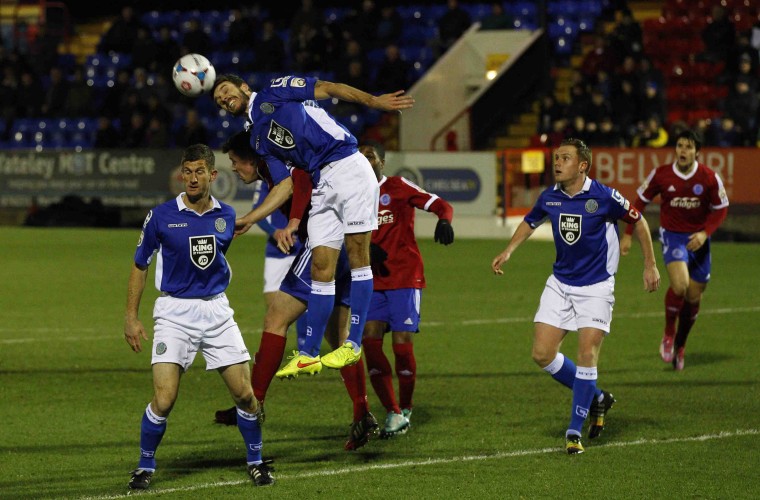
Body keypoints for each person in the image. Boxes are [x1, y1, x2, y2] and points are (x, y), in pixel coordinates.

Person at [212, 73, 414, 379]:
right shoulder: (256, 137)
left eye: (226, 91)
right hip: (322, 181)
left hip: (347, 165)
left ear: (243, 87)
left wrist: (375, 102)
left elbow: (329, 88)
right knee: (321, 265)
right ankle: (308, 354)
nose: (224, 99)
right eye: (218, 100)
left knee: (358, 255)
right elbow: (283, 185)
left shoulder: (275, 90)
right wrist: (249, 219)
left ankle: (352, 343)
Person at [491, 138, 660, 454]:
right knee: (542, 353)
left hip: (596, 287)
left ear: (582, 165)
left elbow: (639, 222)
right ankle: (597, 398)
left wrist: (649, 264)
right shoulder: (551, 197)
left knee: (586, 354)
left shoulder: (604, 196)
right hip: (560, 283)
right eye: (556, 157)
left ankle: (573, 432)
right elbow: (530, 221)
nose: (557, 163)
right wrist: (508, 250)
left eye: (565, 158)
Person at [213, 130, 378, 451]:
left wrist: (293, 222)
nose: (234, 168)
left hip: (327, 247)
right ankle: (362, 412)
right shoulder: (275, 167)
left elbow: (300, 182)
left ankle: (253, 405)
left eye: (235, 162)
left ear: (251, 159)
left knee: (275, 318)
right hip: (343, 244)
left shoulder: (280, 166)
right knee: (339, 337)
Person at [123, 144, 274, 490]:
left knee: (246, 395)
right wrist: (131, 316)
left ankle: (255, 461)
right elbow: (139, 265)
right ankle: (145, 466)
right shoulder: (161, 216)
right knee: (164, 398)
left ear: (212, 175)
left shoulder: (227, 216)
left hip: (217, 312)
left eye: (199, 172)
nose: (192, 178)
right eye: (187, 172)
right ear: (182, 174)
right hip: (174, 313)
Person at [360, 144, 455, 438]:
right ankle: (394, 412)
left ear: (382, 162)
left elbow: (442, 204)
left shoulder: (397, 187)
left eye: (370, 156)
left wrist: (444, 221)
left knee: (402, 345)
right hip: (371, 280)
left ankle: (407, 404)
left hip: (404, 277)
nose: (365, 160)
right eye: (360, 156)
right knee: (370, 344)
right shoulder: (351, 194)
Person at [621, 129, 729, 370]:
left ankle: (681, 344)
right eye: (680, 145)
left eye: (689, 147)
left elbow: (721, 208)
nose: (683, 150)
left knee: (694, 297)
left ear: (697, 153)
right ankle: (669, 333)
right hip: (672, 237)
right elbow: (639, 202)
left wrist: (704, 233)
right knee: (679, 286)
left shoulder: (709, 177)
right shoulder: (661, 175)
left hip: (698, 241)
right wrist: (627, 234)